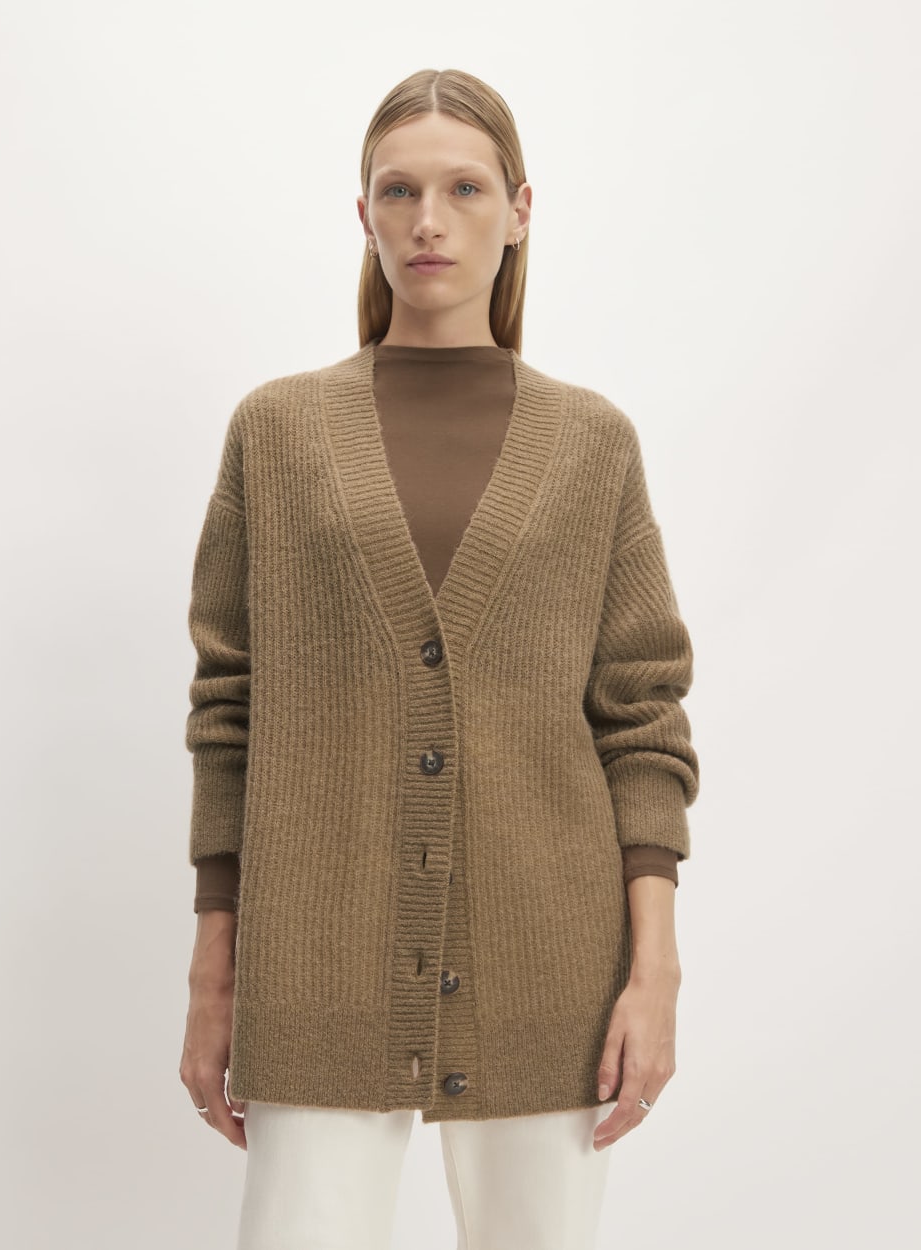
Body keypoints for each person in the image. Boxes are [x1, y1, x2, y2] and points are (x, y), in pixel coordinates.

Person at [179, 67, 700, 1250]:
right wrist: (215, 969)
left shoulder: (592, 441)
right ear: (362, 213)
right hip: (314, 950)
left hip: (547, 957)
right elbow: (228, 708)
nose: (429, 220)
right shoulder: (276, 430)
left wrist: (654, 968)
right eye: (398, 190)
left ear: (519, 210)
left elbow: (640, 712)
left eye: (464, 189)